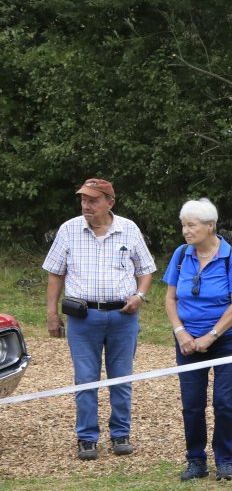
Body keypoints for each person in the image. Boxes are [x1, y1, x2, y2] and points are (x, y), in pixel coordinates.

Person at [42, 177, 156, 461]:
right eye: (83, 199)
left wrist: (139, 296)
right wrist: (52, 313)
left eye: (93, 200)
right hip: (83, 318)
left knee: (122, 378)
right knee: (85, 379)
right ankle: (86, 438)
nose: (86, 205)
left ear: (110, 202)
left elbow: (145, 270)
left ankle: (121, 434)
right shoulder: (68, 230)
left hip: (122, 316)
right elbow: (56, 273)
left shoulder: (129, 229)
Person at [161, 199, 232, 481]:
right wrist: (181, 332)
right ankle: (196, 460)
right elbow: (170, 299)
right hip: (188, 340)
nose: (186, 231)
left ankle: (224, 460)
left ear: (210, 226)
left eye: (192, 225)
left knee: (224, 401)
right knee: (191, 403)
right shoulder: (180, 255)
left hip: (229, 338)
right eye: (183, 225)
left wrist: (211, 337)